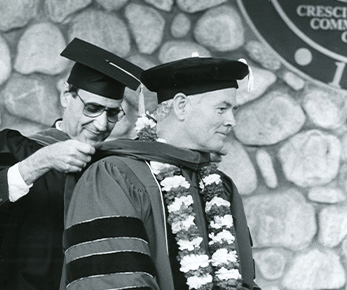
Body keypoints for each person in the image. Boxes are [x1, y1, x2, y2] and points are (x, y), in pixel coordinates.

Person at [62, 56, 260, 290]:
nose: (232, 121)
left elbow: (242, 279)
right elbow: (114, 281)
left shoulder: (220, 186)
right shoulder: (114, 177)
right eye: (222, 109)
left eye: (232, 110)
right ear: (181, 106)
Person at [0, 38, 143, 290]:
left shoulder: (114, 169)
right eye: (92, 108)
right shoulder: (17, 149)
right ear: (67, 96)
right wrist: (40, 162)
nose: (101, 124)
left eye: (112, 113)